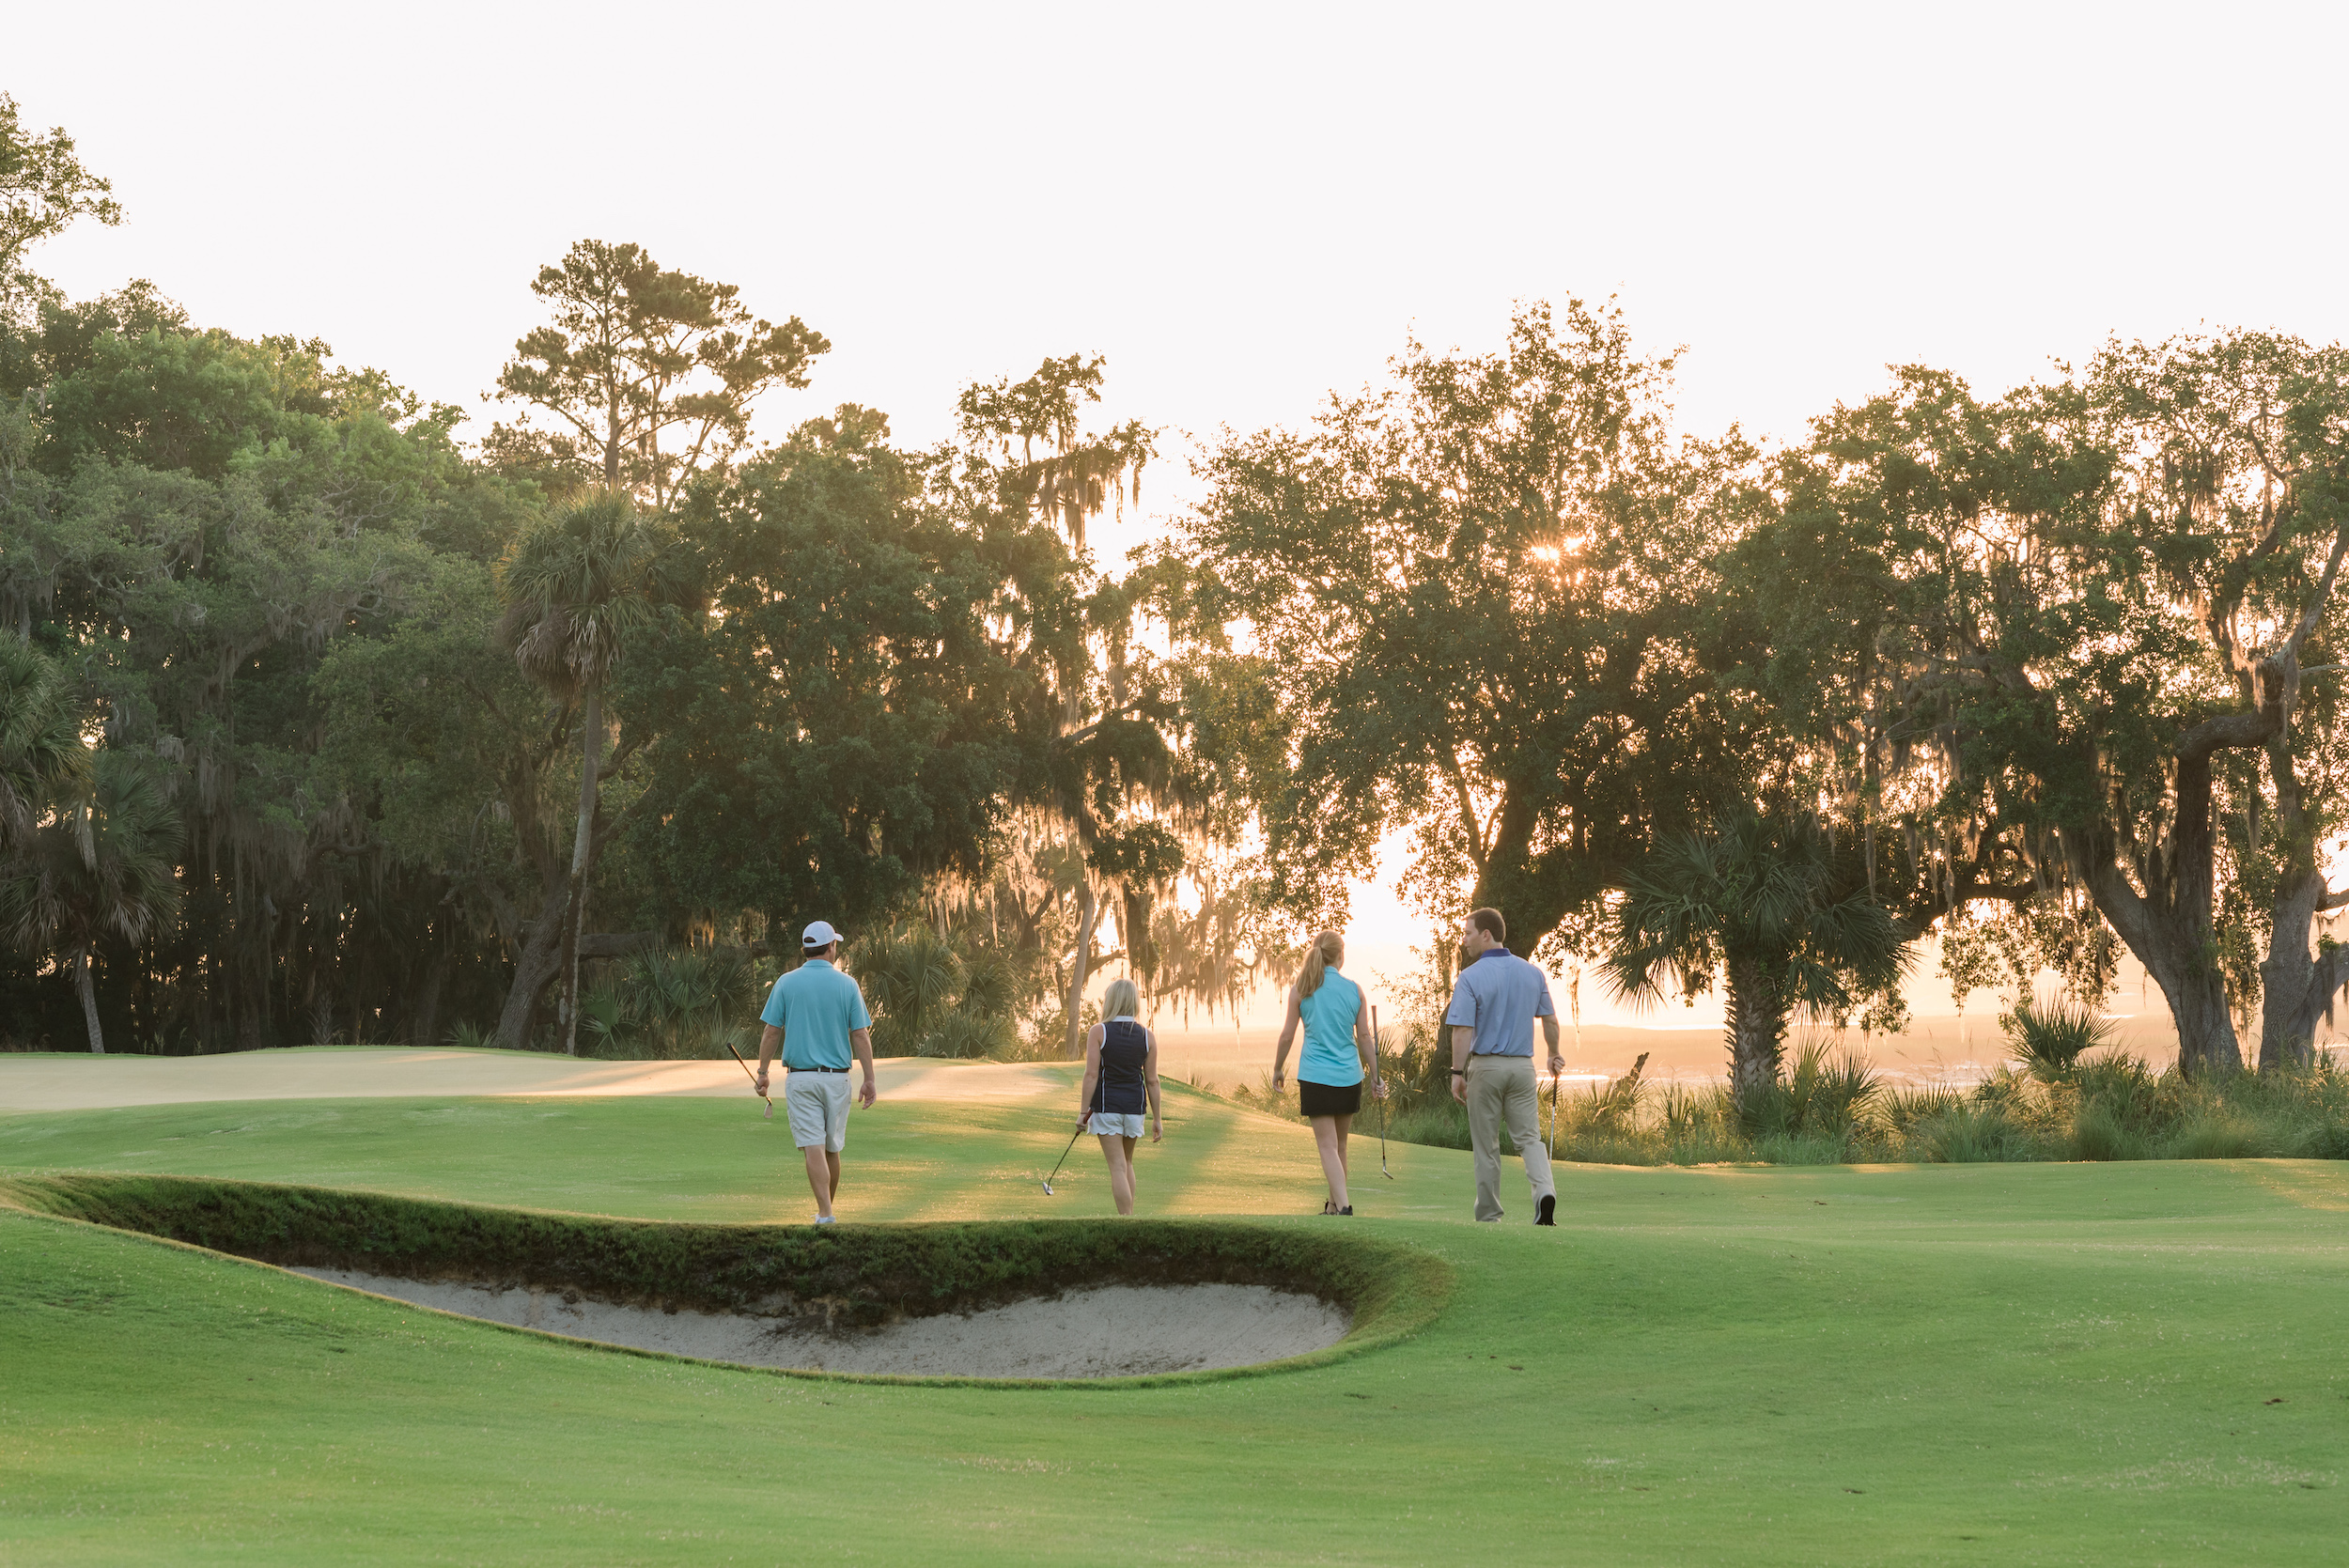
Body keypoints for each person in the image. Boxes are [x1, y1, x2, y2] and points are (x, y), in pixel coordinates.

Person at [752, 920, 878, 1224]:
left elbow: (771, 1032)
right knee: (831, 1150)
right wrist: (870, 1079)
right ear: (831, 947)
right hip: (837, 1079)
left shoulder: (786, 982)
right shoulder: (847, 984)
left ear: (805, 948)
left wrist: (763, 1072)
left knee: (814, 1147)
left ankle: (825, 1213)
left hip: (801, 1077)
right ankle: (826, 1213)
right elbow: (860, 1035)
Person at [1445, 907, 1565, 1225]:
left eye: (1468, 933)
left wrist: (1457, 1073)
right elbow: (1550, 1020)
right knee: (1529, 1138)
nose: (1464, 941)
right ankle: (1544, 1193)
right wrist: (1553, 1053)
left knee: (1486, 1145)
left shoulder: (1470, 976)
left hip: (1486, 1068)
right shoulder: (1532, 972)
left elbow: (1462, 1030)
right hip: (1524, 1069)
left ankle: (1489, 1215)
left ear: (1486, 935)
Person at [1272, 931, 1383, 1215]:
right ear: (1340, 955)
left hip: (1317, 1077)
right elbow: (1365, 1038)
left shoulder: (1302, 988)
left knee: (1327, 1146)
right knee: (1340, 1146)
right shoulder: (1354, 989)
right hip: (1349, 1077)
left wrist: (1277, 1068)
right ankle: (1333, 1207)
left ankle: (1344, 1205)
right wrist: (1374, 1075)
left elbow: (1287, 1036)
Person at [1076, 977, 1161, 1215]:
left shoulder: (1098, 1031)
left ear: (1110, 1001)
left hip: (1107, 1107)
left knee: (1117, 1166)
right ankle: (1130, 1219)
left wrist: (1083, 1112)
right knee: (1127, 1163)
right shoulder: (1147, 1036)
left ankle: (1126, 1219)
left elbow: (1091, 1075)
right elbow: (1152, 1081)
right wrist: (1157, 1119)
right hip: (1135, 1109)